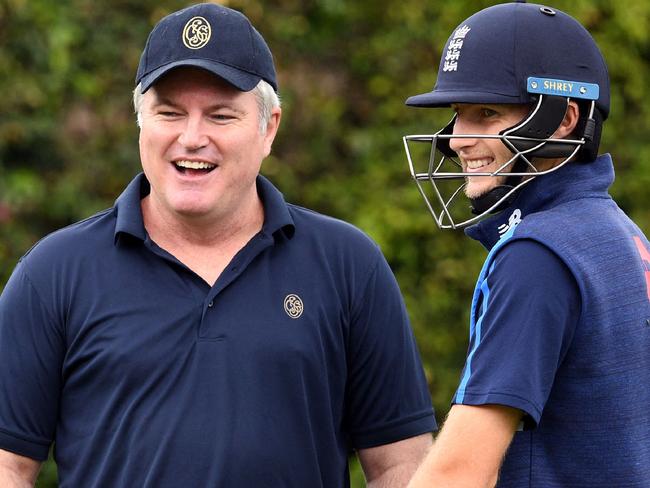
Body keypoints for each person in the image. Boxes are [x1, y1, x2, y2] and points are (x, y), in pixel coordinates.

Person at [0, 3, 436, 487]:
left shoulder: (349, 265)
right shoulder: (54, 272)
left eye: (221, 116)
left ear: (268, 127)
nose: (191, 138)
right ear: (141, 123)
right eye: (169, 113)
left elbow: (403, 464)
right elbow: (7, 465)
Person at [402, 1, 650, 487]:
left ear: (563, 120)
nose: (457, 140)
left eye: (487, 113)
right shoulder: (623, 234)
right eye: (458, 114)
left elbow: (459, 473)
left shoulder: (536, 253)